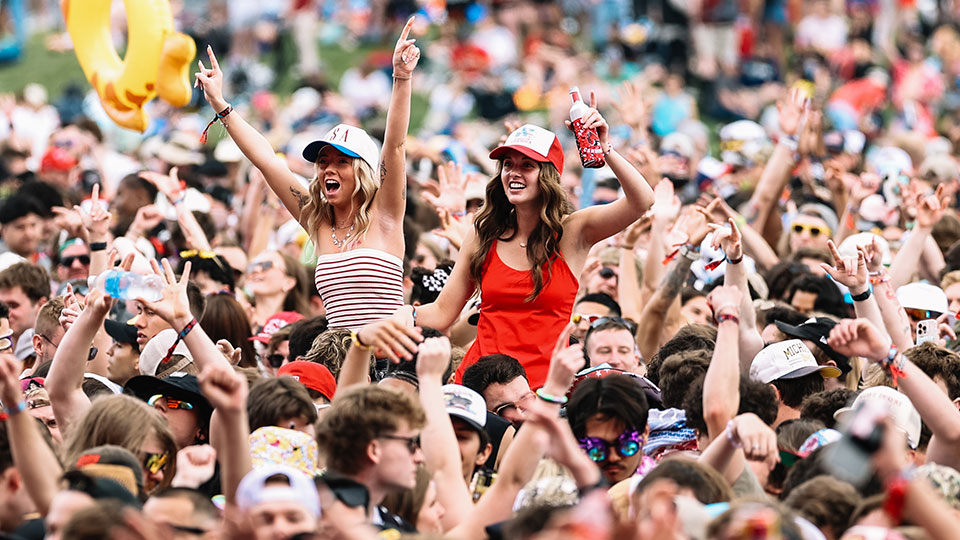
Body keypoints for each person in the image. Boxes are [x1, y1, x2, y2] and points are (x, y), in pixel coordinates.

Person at [403, 106, 656, 389]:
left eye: (527, 165)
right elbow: (442, 313)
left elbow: (642, 201)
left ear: (548, 175)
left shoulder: (574, 231)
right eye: (508, 164)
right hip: (481, 388)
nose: (514, 173)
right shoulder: (483, 233)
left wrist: (604, 148)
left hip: (545, 392)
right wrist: (401, 314)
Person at [195, 19, 421, 330]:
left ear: (363, 171)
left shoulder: (386, 214)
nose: (328, 168)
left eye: (342, 162)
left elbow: (394, 145)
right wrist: (220, 104)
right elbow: (268, 161)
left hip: (388, 356)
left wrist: (401, 77)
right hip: (336, 356)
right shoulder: (317, 220)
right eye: (323, 161)